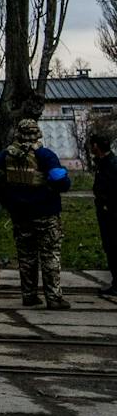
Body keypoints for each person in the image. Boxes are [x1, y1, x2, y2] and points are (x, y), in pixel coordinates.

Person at [0, 118, 73, 309]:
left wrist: (11, 206)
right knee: (50, 255)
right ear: (38, 134)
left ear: (18, 134)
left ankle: (29, 295)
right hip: (46, 214)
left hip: (20, 215)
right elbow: (61, 184)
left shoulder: (4, 156)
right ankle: (53, 298)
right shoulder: (46, 155)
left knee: (26, 256)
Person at [90, 117, 117, 300]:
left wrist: (107, 205)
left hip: (112, 214)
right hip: (106, 212)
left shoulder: (111, 166)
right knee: (110, 248)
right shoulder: (105, 163)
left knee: (114, 247)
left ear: (96, 147)